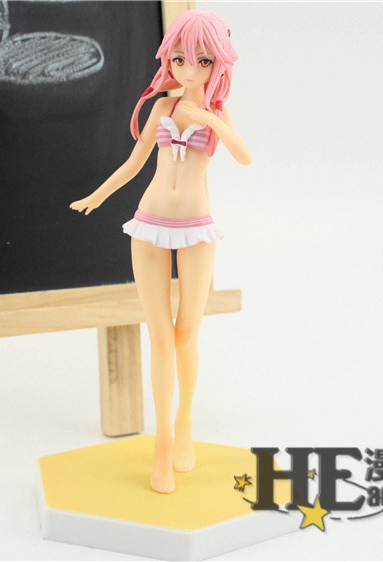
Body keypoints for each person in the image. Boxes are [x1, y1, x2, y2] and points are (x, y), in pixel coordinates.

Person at [69, 9, 251, 494]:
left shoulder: (216, 114)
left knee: (187, 335)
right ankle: (163, 444)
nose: (189, 69)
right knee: (160, 337)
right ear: (169, 59)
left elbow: (244, 155)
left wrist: (208, 117)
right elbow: (134, 163)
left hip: (196, 228)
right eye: (180, 59)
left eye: (203, 60)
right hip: (149, 224)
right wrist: (97, 196)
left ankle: (184, 422)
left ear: (219, 62)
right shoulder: (162, 108)